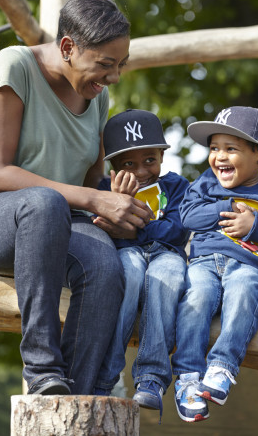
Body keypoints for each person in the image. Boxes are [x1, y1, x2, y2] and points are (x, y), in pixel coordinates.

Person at [0, 0, 154, 396]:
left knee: (104, 265)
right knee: (44, 203)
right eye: (106, 64)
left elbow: (92, 183)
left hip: (60, 220)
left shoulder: (97, 95)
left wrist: (118, 209)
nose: (114, 76)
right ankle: (42, 370)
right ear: (68, 47)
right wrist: (91, 200)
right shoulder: (14, 65)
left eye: (120, 65)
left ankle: (76, 397)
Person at [171, 106, 258, 423]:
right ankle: (187, 377)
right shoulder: (204, 184)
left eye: (231, 149)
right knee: (196, 297)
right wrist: (225, 206)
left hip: (249, 265)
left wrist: (255, 226)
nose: (219, 157)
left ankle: (221, 368)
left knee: (243, 290)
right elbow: (188, 217)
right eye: (214, 148)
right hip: (203, 263)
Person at [93, 109, 190, 420]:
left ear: (162, 155)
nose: (142, 170)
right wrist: (118, 205)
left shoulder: (176, 187)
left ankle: (151, 378)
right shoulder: (104, 191)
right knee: (129, 272)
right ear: (113, 167)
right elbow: (108, 237)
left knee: (167, 276)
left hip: (167, 255)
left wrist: (132, 225)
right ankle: (104, 377)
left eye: (150, 160)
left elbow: (177, 231)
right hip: (130, 256)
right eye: (128, 164)